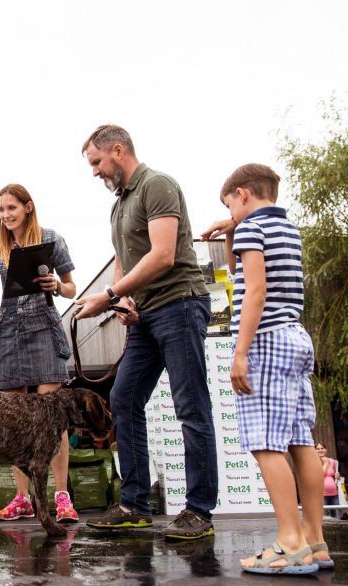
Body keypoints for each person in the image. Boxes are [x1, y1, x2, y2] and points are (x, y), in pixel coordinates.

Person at [76, 124, 217, 540]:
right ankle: (133, 504)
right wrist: (123, 300)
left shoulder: (158, 186)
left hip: (180, 305)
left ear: (118, 151)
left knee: (190, 404)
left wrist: (108, 295)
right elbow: (124, 259)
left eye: (97, 163)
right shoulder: (119, 205)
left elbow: (164, 254)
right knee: (123, 397)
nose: (95, 172)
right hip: (146, 314)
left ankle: (199, 510)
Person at [201, 163, 326, 574]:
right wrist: (234, 230)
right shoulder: (287, 228)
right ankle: (314, 540)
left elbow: (252, 289)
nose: (230, 214)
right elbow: (246, 272)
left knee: (266, 443)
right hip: (295, 335)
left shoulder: (254, 228)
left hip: (266, 340)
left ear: (243, 194)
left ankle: (289, 543)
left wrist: (240, 352)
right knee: (299, 439)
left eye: (230, 205)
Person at [0, 183, 79, 523]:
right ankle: (22, 498)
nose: (6, 215)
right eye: (1, 209)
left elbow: (71, 287)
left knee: (53, 417)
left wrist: (56, 285)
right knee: (14, 422)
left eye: (12, 208)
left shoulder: (51, 239)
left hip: (43, 328)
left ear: (28, 207)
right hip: (8, 331)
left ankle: (61, 496)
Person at [316, 443, 341, 518]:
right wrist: (326, 463)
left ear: (326, 450)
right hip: (321, 495)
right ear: (314, 450)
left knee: (337, 517)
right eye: (318, 449)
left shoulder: (332, 461)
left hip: (334, 494)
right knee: (324, 517)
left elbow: (334, 476)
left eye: (322, 448)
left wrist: (338, 476)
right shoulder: (314, 462)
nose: (320, 450)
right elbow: (320, 475)